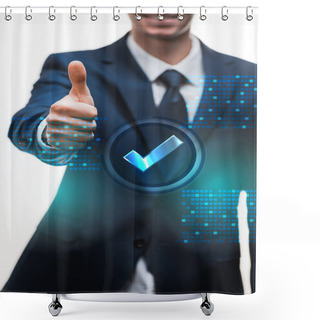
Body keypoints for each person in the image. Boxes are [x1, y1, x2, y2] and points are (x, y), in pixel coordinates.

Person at [2, 14, 256, 294]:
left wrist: (264, 289)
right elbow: (27, 120)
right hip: (80, 266)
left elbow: (261, 190)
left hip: (201, 274)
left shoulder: (249, 77)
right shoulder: (75, 66)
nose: (161, 9)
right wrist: (52, 132)